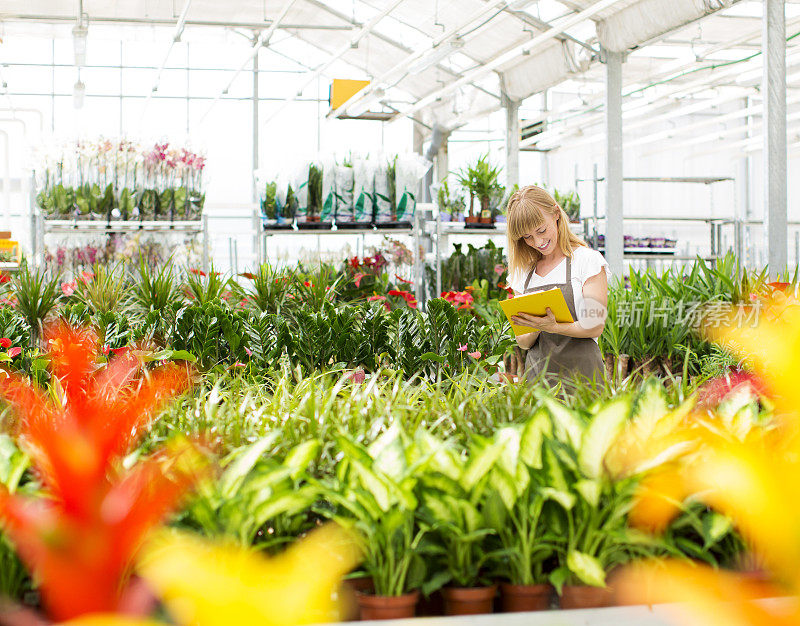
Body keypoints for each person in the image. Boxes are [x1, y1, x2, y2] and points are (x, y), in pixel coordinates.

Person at [505, 185, 610, 383]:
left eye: (541, 230)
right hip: (538, 383)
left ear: (555, 213)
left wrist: (554, 326)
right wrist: (537, 324)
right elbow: (524, 342)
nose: (538, 241)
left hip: (583, 381)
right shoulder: (523, 272)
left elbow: (595, 326)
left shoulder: (587, 261)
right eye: (527, 237)